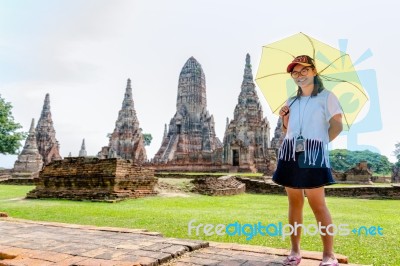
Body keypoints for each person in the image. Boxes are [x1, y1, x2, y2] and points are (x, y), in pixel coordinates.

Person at [273, 55, 343, 266]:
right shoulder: (291, 101)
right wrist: (285, 120)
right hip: (289, 152)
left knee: (318, 204)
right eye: (295, 72)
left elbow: (337, 125)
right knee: (294, 203)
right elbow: (287, 132)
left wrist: (319, 145)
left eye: (304, 70)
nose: (299, 75)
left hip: (313, 154)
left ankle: (329, 254)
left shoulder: (327, 97)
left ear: (314, 71)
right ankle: (295, 250)